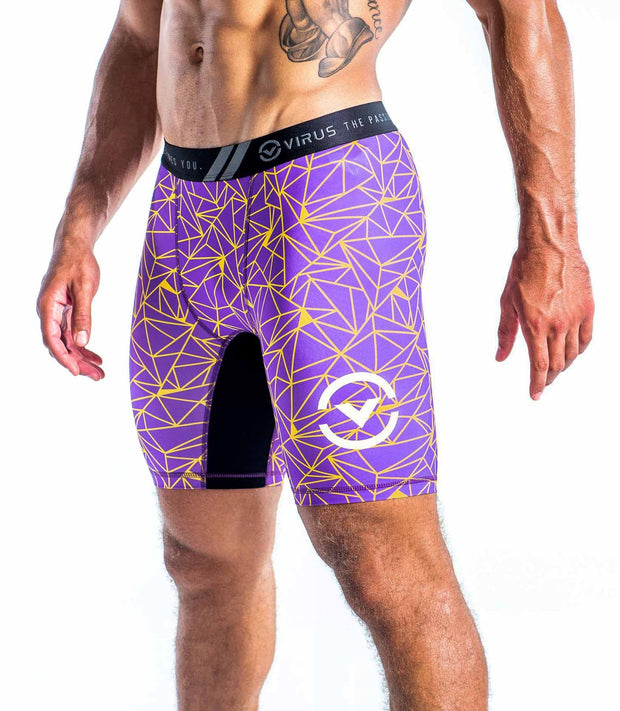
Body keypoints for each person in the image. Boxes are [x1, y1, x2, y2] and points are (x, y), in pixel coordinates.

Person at [36, 0, 594, 708]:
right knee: (203, 562)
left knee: (383, 564)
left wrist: (553, 239)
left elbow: (519, 11)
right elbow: (141, 36)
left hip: (326, 196)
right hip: (185, 219)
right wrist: (79, 223)